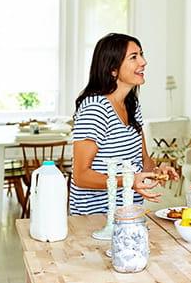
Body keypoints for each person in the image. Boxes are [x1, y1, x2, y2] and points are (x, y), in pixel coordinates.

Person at [70, 33, 178, 215]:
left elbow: (142, 160)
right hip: (95, 219)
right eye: (134, 57)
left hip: (128, 217)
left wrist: (158, 170)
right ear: (113, 69)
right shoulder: (95, 108)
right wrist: (128, 181)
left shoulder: (132, 105)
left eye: (141, 55)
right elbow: (81, 176)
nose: (143, 62)